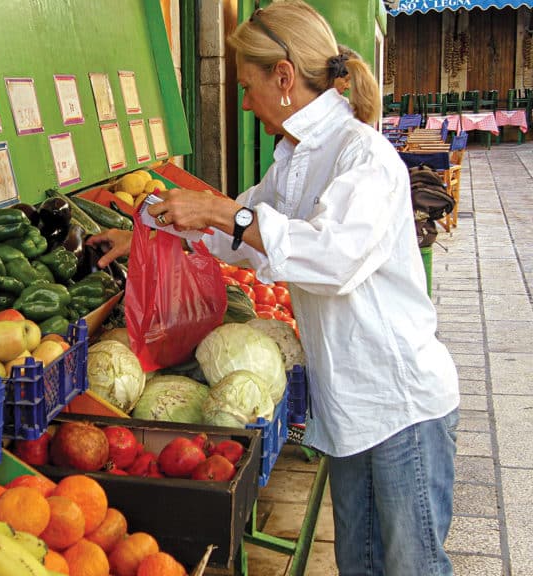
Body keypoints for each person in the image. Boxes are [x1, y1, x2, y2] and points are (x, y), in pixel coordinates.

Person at [87, 1, 460, 574]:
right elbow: (245, 233)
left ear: (283, 77)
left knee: (411, 566)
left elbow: (332, 258)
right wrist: (150, 239)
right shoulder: (293, 159)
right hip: (351, 402)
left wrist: (223, 211)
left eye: (247, 84)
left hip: (398, 402)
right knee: (359, 565)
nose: (243, 101)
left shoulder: (364, 156)